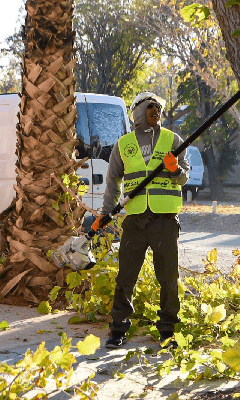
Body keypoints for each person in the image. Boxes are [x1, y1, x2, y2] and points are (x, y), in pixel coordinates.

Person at [91, 92, 189, 349]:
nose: (155, 111)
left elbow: (184, 178)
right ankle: (118, 329)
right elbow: (113, 182)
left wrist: (175, 170)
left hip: (165, 220)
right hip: (134, 220)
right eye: (150, 107)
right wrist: (104, 214)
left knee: (168, 278)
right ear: (137, 111)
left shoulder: (173, 140)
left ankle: (168, 330)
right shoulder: (123, 144)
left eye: (158, 108)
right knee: (125, 277)